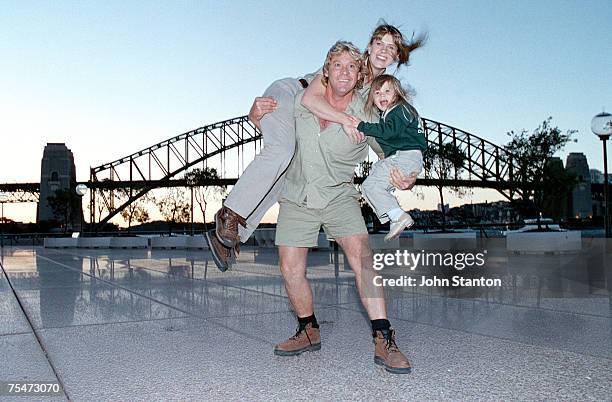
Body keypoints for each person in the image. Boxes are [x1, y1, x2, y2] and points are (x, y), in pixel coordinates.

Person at [206, 24, 426, 271]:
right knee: (282, 151)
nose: (384, 51)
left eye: (391, 47)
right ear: (369, 45)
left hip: (304, 120)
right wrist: (345, 120)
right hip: (292, 95)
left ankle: (227, 238)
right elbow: (310, 99)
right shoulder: (349, 61)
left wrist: (407, 175)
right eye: (379, 43)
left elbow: (387, 143)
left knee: (286, 170)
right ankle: (229, 214)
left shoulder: (380, 94)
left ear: (397, 56)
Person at [273, 41, 412, 374]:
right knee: (290, 269)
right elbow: (271, 126)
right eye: (338, 65)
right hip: (297, 195)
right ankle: (308, 330)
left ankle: (384, 339)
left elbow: (395, 150)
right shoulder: (303, 102)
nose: (345, 72)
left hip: (339, 196)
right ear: (327, 70)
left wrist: (406, 176)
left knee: (363, 260)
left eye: (352, 66)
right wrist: (256, 112)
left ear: (359, 72)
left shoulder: (368, 116)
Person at [350, 74, 426, 241]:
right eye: (377, 93)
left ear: (397, 94)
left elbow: (389, 132)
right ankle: (394, 218)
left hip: (405, 157)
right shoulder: (395, 112)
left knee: (369, 186)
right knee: (374, 182)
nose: (382, 95)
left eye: (387, 91)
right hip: (405, 157)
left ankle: (399, 215)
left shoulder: (399, 109)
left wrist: (362, 126)